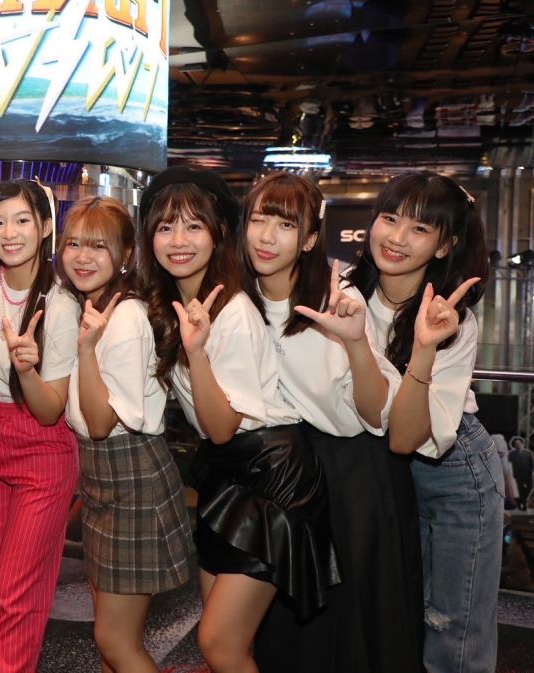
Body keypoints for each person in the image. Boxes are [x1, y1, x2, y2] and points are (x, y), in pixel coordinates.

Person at [138, 166, 337, 673]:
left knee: (219, 643)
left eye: (193, 226)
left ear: (218, 233)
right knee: (228, 643)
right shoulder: (173, 303)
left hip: (272, 476)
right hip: (225, 472)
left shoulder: (232, 311)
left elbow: (223, 426)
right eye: (165, 227)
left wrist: (197, 353)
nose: (178, 241)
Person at [239, 172, 420, 673]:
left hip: (351, 471)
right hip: (287, 472)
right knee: (289, 630)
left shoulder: (337, 299)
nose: (267, 237)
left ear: (310, 239)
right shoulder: (239, 300)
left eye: (285, 225)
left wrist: (356, 342)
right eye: (259, 220)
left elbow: (376, 413)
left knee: (352, 629)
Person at [350, 171, 503, 673]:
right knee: (396, 616)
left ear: (444, 246)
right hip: (380, 469)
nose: (396, 237)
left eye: (419, 228)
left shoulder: (453, 320)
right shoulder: (348, 293)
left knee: (452, 629)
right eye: (390, 219)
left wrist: (425, 344)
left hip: (452, 470)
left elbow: (408, 435)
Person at [59, 196, 193, 673]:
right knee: (110, 642)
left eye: (98, 246)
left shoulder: (126, 316)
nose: (82, 257)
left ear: (125, 254)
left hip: (132, 475)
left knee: (116, 642)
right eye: (74, 243)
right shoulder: (94, 308)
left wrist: (86, 351)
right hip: (104, 478)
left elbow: (99, 424)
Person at [0, 179, 80, 673]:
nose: (8, 232)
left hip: (41, 446)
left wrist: (27, 370)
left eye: (22, 220)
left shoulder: (62, 304)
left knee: (15, 596)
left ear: (46, 227)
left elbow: (51, 411)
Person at [509, 438, 533, 511]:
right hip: (517, 476)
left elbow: (532, 463)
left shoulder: (528, 453)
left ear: (522, 443)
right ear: (514, 445)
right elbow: (509, 465)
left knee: (528, 489)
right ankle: (520, 504)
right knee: (518, 491)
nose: (518, 444)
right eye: (516, 443)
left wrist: (531, 471)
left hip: (527, 476)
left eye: (519, 443)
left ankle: (524, 502)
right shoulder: (511, 454)